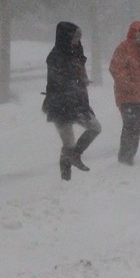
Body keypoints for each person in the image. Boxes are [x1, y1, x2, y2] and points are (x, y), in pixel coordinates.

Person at [42, 21, 101, 181]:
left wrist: (83, 81)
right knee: (68, 143)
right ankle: (65, 178)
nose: (77, 41)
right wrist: (74, 83)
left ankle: (76, 156)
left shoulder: (76, 51)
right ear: (65, 38)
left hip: (77, 102)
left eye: (78, 37)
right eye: (74, 37)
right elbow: (59, 80)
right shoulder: (55, 57)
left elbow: (78, 72)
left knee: (95, 127)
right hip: (60, 104)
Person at [109, 21, 140, 165]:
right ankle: (124, 159)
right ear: (134, 32)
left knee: (136, 128)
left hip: (138, 96)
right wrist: (130, 86)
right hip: (126, 96)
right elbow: (116, 69)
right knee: (130, 126)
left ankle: (129, 158)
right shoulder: (123, 48)